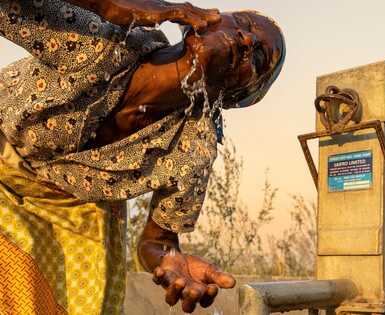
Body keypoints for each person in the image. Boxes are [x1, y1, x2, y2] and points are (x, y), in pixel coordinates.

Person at [0, 0, 285, 314]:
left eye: (259, 57)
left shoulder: (193, 148)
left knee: (85, 303)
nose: (247, 40)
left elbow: (158, 240)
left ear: (235, 94)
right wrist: (106, 5)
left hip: (71, 210)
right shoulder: (105, 40)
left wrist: (168, 258)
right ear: (203, 21)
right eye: (242, 23)